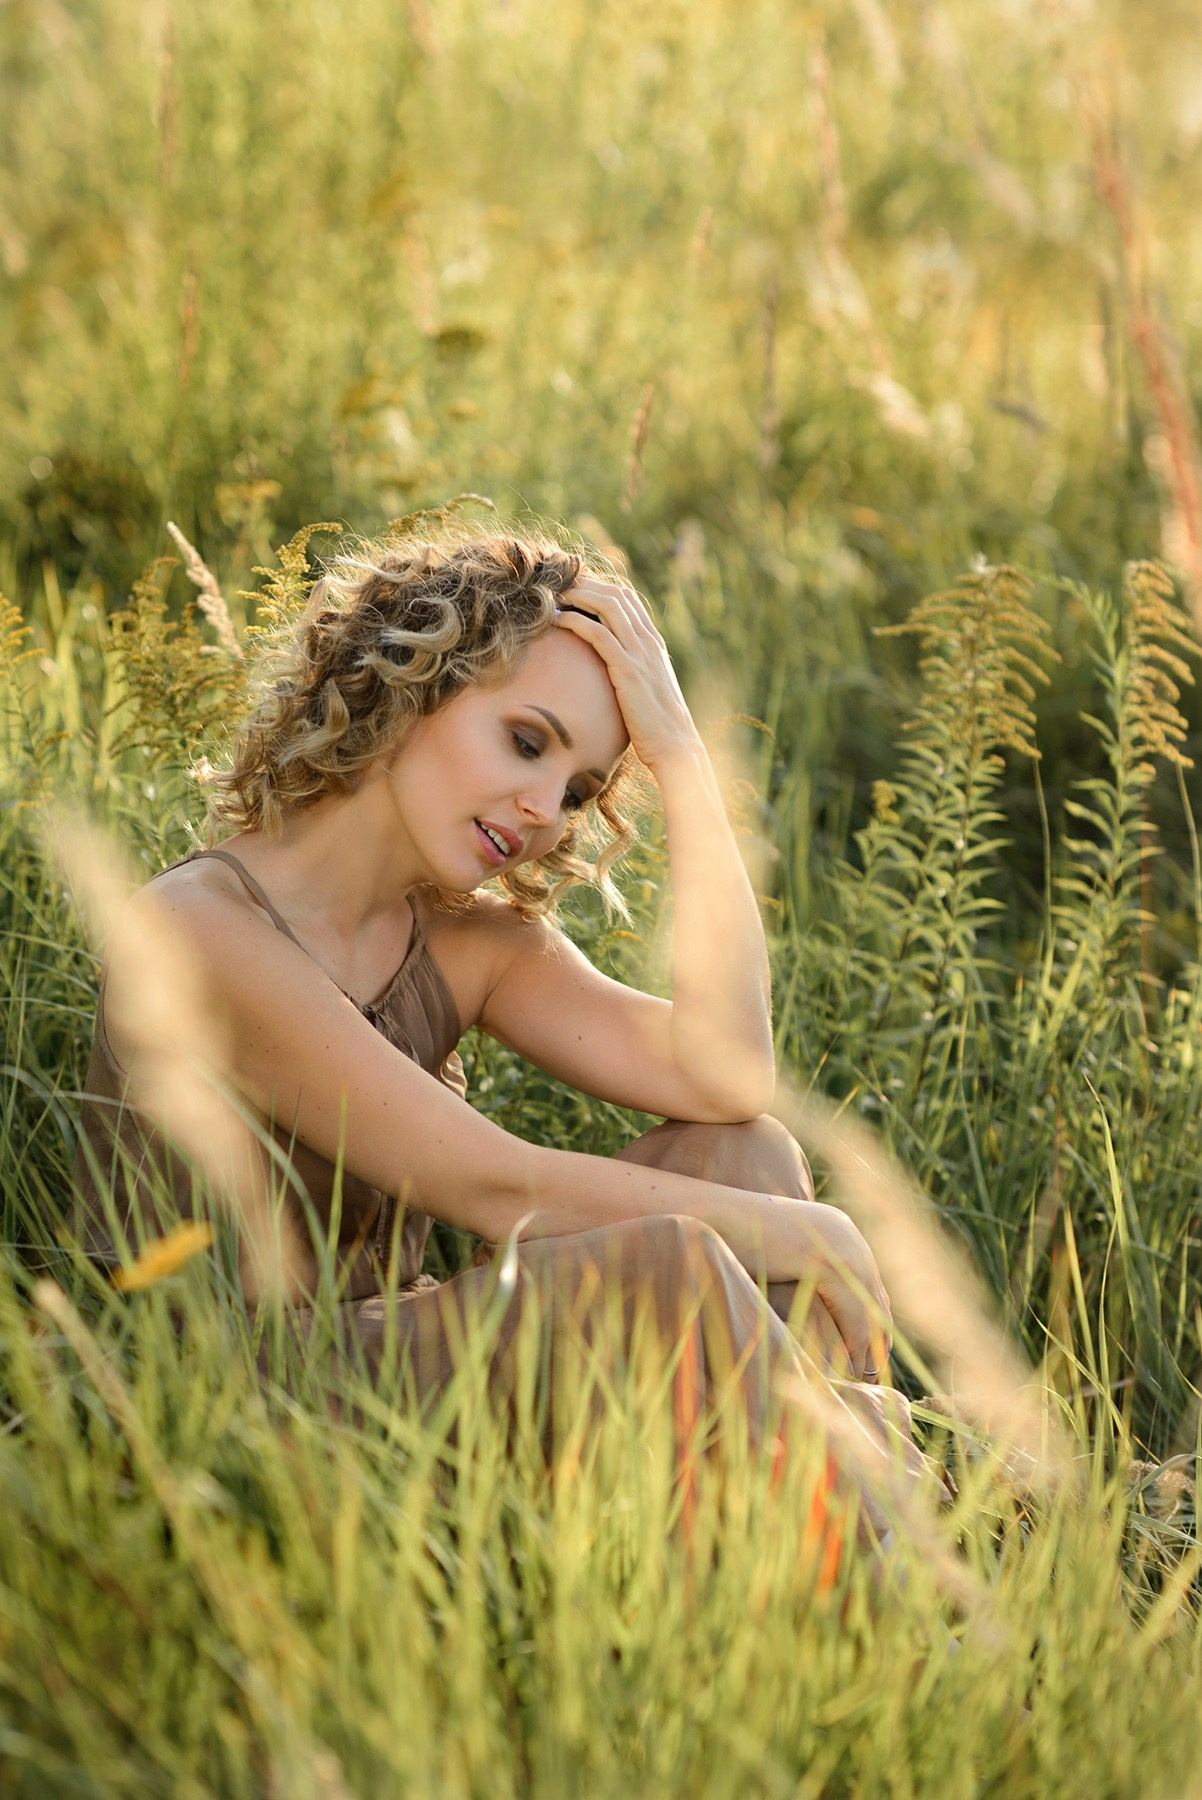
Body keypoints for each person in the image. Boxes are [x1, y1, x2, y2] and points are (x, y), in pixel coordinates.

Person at [75, 524, 927, 1531]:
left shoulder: (465, 939)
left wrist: (685, 761)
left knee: (742, 1153)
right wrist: (802, 1230)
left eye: (577, 791)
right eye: (526, 742)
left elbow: (729, 1074)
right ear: (408, 686)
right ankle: (898, 1547)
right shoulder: (198, 929)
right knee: (679, 1260)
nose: (543, 812)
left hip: (395, 1355)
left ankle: (798, 1536)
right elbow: (495, 1188)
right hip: (228, 1404)